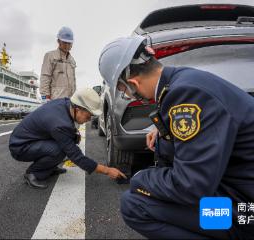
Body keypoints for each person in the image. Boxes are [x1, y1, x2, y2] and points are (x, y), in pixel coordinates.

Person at [98, 35, 254, 239]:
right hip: (239, 191)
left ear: (132, 83)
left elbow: (189, 185)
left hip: (242, 212)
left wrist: (140, 178)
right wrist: (165, 132)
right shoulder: (183, 80)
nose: (128, 96)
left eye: (124, 91)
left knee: (134, 205)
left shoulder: (187, 96)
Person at [9, 88, 126, 189]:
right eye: (89, 115)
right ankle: (33, 173)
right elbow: (76, 156)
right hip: (20, 147)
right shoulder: (59, 124)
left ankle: (49, 168)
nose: (89, 119)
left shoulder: (66, 104)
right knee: (60, 150)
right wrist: (107, 170)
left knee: (66, 144)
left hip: (31, 140)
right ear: (78, 109)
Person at [40, 26, 76, 100]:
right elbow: (45, 77)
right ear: (58, 41)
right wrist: (45, 98)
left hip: (70, 101)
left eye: (69, 43)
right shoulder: (50, 56)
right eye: (64, 42)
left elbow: (74, 82)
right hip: (55, 100)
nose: (67, 45)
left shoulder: (72, 61)